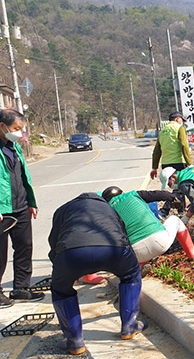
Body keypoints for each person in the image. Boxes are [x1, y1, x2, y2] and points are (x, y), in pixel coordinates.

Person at [48, 192, 146, 355]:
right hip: (114, 250)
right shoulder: (109, 208)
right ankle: (130, 326)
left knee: (60, 290)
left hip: (71, 254)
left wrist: (63, 272)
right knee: (131, 275)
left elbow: (54, 242)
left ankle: (75, 341)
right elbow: (123, 235)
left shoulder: (63, 209)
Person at [0, 109, 43, 308]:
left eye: (21, 128)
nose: (20, 132)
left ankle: (21, 289)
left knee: (25, 247)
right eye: (16, 128)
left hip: (20, 206)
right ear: (2, 126)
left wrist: (31, 202)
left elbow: (23, 174)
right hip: (2, 210)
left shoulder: (14, 147)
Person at [101, 186, 194, 263]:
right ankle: (193, 254)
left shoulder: (107, 211)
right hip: (159, 242)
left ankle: (140, 265)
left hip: (135, 254)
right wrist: (174, 199)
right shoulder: (132, 195)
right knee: (175, 220)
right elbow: (160, 194)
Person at [150, 112, 192, 217]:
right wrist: (189, 163)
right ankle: (164, 210)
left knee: (179, 188)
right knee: (179, 188)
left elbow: (156, 151)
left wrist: (154, 167)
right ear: (178, 119)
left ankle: (181, 211)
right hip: (178, 162)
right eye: (181, 120)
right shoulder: (179, 128)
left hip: (166, 163)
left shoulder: (163, 130)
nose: (182, 122)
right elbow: (184, 145)